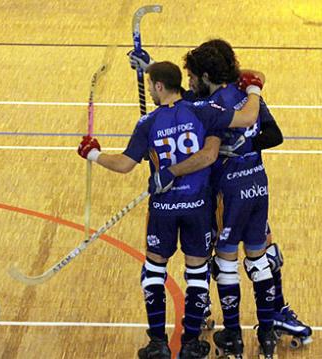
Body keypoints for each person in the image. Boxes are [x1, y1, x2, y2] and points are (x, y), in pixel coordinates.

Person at [129, 39, 312, 355]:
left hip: (224, 190)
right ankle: (247, 318)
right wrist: (150, 68)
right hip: (249, 186)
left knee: (235, 255)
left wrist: (234, 150)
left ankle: (264, 315)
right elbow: (180, 98)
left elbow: (273, 135)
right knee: (251, 252)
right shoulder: (234, 97)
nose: (188, 83)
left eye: (192, 77)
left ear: (203, 75)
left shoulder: (217, 104)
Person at [77, 61, 263, 359]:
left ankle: (157, 343)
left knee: (153, 271)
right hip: (198, 208)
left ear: (160, 87)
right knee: (197, 273)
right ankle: (190, 343)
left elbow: (124, 164)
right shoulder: (204, 111)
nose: (149, 90)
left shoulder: (147, 124)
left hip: (163, 209)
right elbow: (239, 125)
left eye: (150, 85)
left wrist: (94, 154)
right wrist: (254, 88)